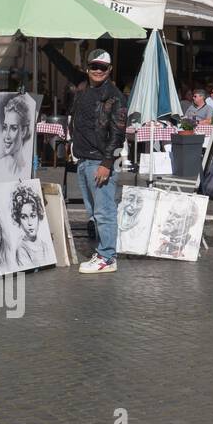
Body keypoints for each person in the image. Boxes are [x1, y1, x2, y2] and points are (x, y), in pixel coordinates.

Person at [73, 49, 127, 274]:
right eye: (94, 66)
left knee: (104, 211)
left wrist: (107, 162)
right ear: (87, 68)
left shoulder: (114, 96)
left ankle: (107, 257)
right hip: (84, 159)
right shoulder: (84, 91)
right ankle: (104, 252)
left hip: (99, 161)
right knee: (94, 211)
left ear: (110, 70)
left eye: (102, 67)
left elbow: (118, 133)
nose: (97, 70)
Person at [11, 183, 54, 269]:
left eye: (33, 216)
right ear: (18, 220)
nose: (29, 223)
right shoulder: (21, 249)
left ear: (39, 216)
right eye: (24, 217)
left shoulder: (44, 245)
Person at [0, 94, 34, 180]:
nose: (7, 136)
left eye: (13, 128)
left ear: (23, 131)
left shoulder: (26, 169)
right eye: (5, 127)